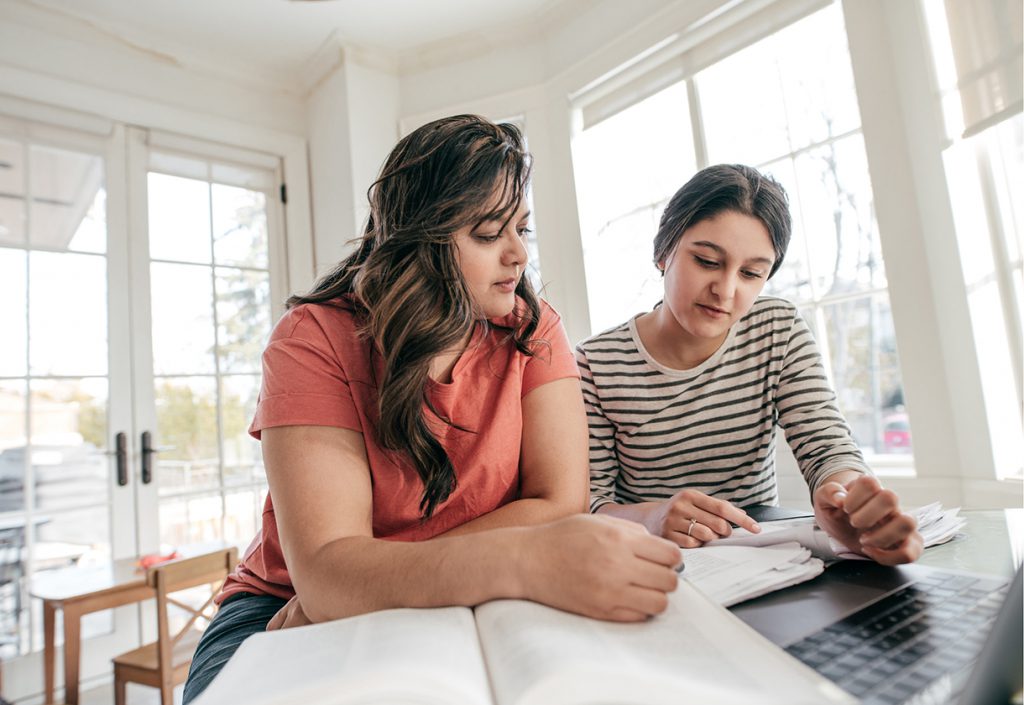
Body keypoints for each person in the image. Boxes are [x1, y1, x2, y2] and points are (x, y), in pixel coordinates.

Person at [183, 115, 681, 703]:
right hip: (275, 607)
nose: (518, 255)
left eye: (521, 228)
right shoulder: (312, 338)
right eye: (489, 233)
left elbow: (559, 501)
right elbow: (322, 572)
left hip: (414, 596)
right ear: (421, 237)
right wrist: (512, 558)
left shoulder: (534, 329)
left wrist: (359, 578)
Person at [577, 164, 923, 565]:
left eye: (751, 273)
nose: (725, 290)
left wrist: (849, 504)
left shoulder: (777, 328)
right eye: (707, 261)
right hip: (652, 564)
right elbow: (589, 502)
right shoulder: (595, 364)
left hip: (766, 566)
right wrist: (652, 517)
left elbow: (826, 445)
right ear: (662, 252)